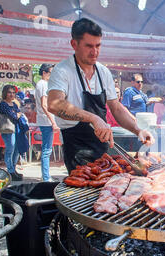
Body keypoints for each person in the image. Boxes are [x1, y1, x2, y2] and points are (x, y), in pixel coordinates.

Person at [47, 18, 154, 173]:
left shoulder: (103, 72)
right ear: (74, 44)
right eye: (89, 46)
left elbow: (116, 108)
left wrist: (138, 130)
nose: (94, 51)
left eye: (98, 46)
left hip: (103, 148)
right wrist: (93, 118)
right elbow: (54, 104)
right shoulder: (62, 70)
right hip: (77, 149)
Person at [35, 63, 59, 182]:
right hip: (46, 120)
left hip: (44, 119)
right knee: (46, 150)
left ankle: (45, 175)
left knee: (46, 149)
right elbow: (44, 105)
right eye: (51, 73)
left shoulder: (42, 84)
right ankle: (45, 177)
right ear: (44, 73)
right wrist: (53, 122)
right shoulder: (43, 84)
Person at [0, 85, 24, 181]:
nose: (12, 94)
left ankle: (13, 169)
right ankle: (10, 171)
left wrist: (17, 114)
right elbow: (13, 115)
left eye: (13, 93)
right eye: (9, 92)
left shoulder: (14, 104)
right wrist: (16, 114)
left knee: (16, 149)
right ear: (5, 93)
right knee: (10, 149)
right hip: (7, 130)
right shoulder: (3, 104)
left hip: (16, 129)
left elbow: (18, 114)